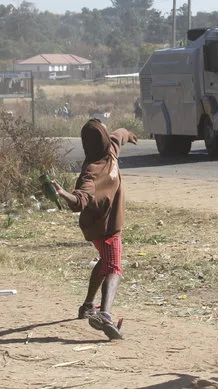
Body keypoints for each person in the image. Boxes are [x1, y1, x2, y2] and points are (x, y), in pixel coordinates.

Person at [53, 119, 137, 340]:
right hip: (102, 227)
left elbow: (121, 134)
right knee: (114, 267)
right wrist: (64, 194)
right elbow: (79, 201)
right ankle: (105, 315)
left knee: (105, 262)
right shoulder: (90, 172)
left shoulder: (112, 148)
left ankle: (88, 306)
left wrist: (130, 134)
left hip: (106, 224)